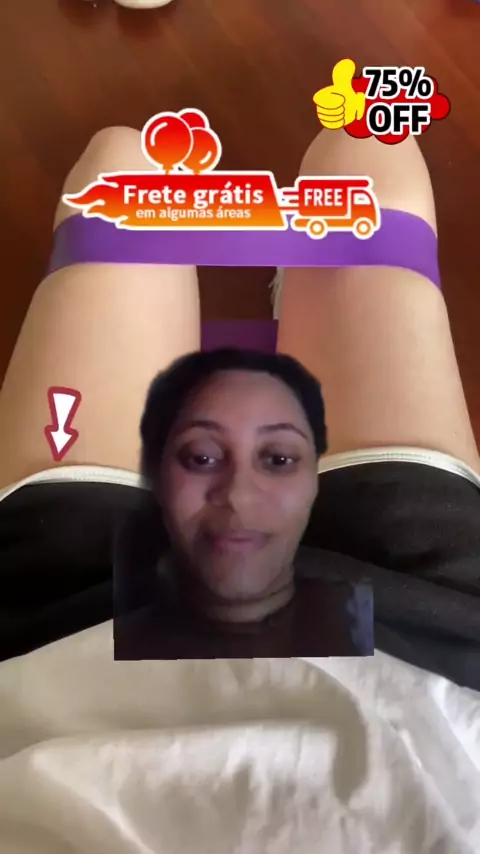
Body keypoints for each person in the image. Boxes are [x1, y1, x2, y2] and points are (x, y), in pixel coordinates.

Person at [0, 126, 479, 685]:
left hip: (66, 620)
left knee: (122, 159)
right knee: (369, 148)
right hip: (421, 631)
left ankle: (285, 286)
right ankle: (298, 287)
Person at [114, 347, 374, 659]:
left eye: (278, 459)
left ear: (315, 481)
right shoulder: (79, 636)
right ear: (155, 476)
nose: (238, 496)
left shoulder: (401, 631)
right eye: (201, 457)